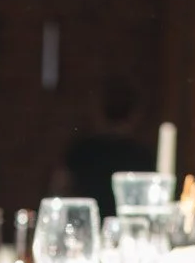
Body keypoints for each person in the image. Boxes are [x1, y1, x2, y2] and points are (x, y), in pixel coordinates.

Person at [58, 77, 156, 218]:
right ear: (135, 115)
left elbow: (59, 192)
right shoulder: (142, 155)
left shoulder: (82, 150)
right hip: (128, 229)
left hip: (84, 227)